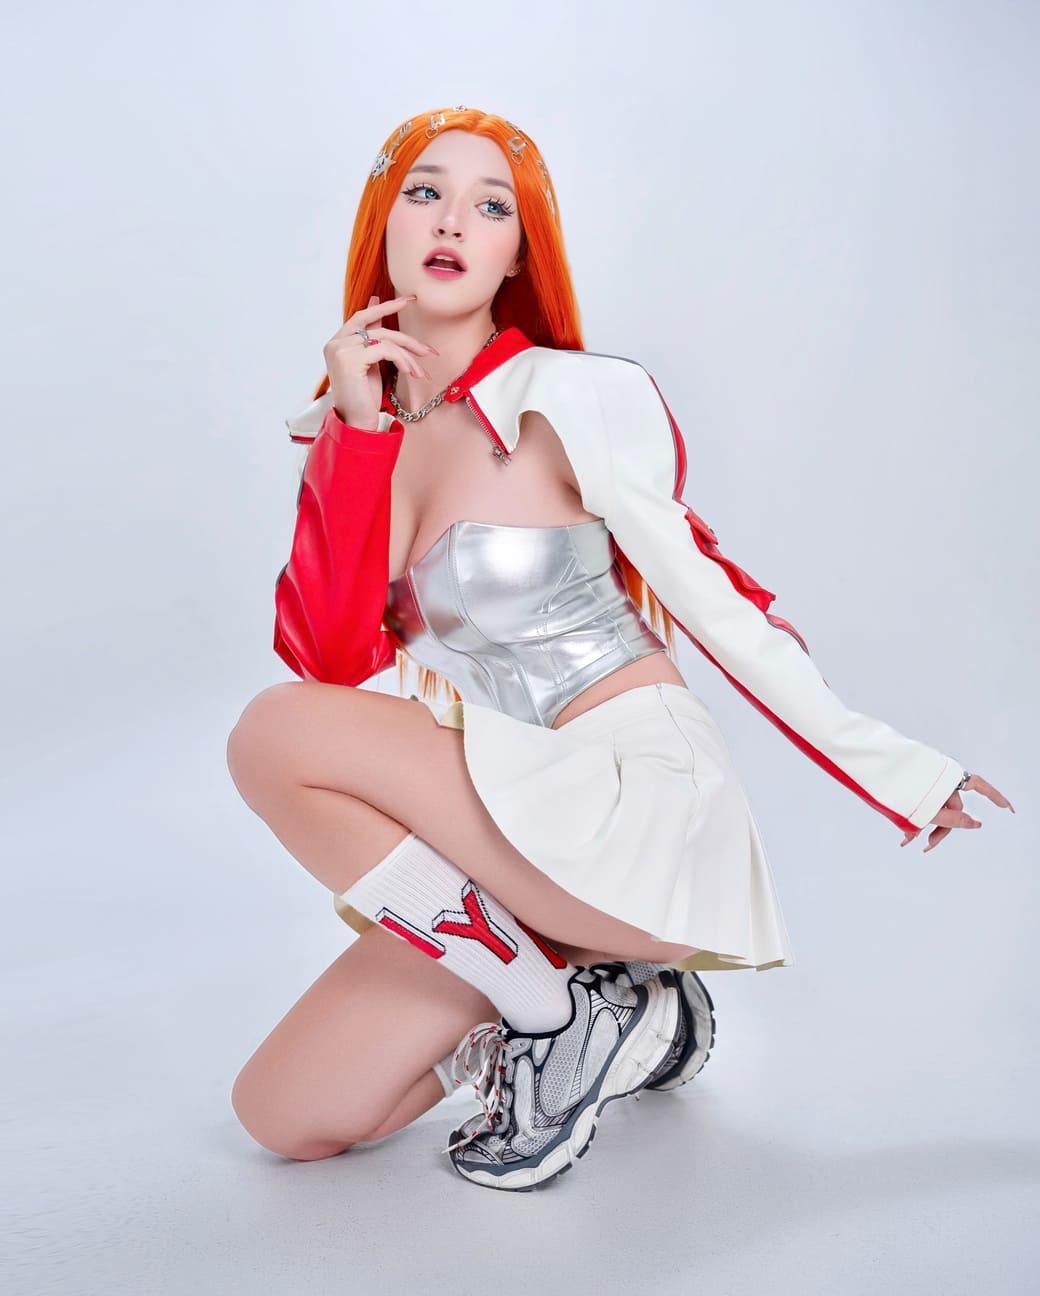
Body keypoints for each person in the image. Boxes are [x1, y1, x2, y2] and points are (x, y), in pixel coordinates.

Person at [225, 106, 1013, 1193]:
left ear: (518, 254)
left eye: (491, 206)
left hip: (627, 799)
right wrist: (358, 433)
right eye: (425, 192)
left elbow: (715, 600)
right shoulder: (357, 432)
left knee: (270, 733)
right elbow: (326, 657)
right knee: (285, 1113)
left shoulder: (572, 396)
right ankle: (629, 1012)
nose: (452, 220)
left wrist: (902, 773)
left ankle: (556, 1016)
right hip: (511, 822)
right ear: (383, 224)